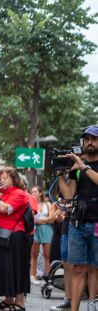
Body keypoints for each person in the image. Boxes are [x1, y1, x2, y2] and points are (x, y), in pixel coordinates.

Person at [58, 125, 98, 311]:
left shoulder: (84, 165)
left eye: (94, 139)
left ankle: (92, 302)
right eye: (87, 139)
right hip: (78, 223)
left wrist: (84, 167)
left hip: (97, 223)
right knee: (78, 269)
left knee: (95, 267)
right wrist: (60, 173)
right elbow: (68, 194)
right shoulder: (77, 166)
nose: (90, 142)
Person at [0, 167, 31, 311]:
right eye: (0, 177)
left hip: (14, 235)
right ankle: (8, 300)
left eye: (5, 177)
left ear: (13, 178)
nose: (2, 180)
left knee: (16, 267)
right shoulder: (3, 193)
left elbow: (5, 209)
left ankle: (19, 302)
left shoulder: (20, 194)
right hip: (0, 233)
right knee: (3, 268)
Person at [30, 186, 55, 285]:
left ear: (40, 193)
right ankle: (33, 275)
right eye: (32, 192)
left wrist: (40, 220)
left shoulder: (48, 204)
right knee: (34, 255)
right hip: (35, 230)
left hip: (47, 230)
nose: (33, 193)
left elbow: (52, 219)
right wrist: (46, 220)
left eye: (35, 191)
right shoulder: (31, 204)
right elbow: (33, 220)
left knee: (47, 255)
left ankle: (47, 276)